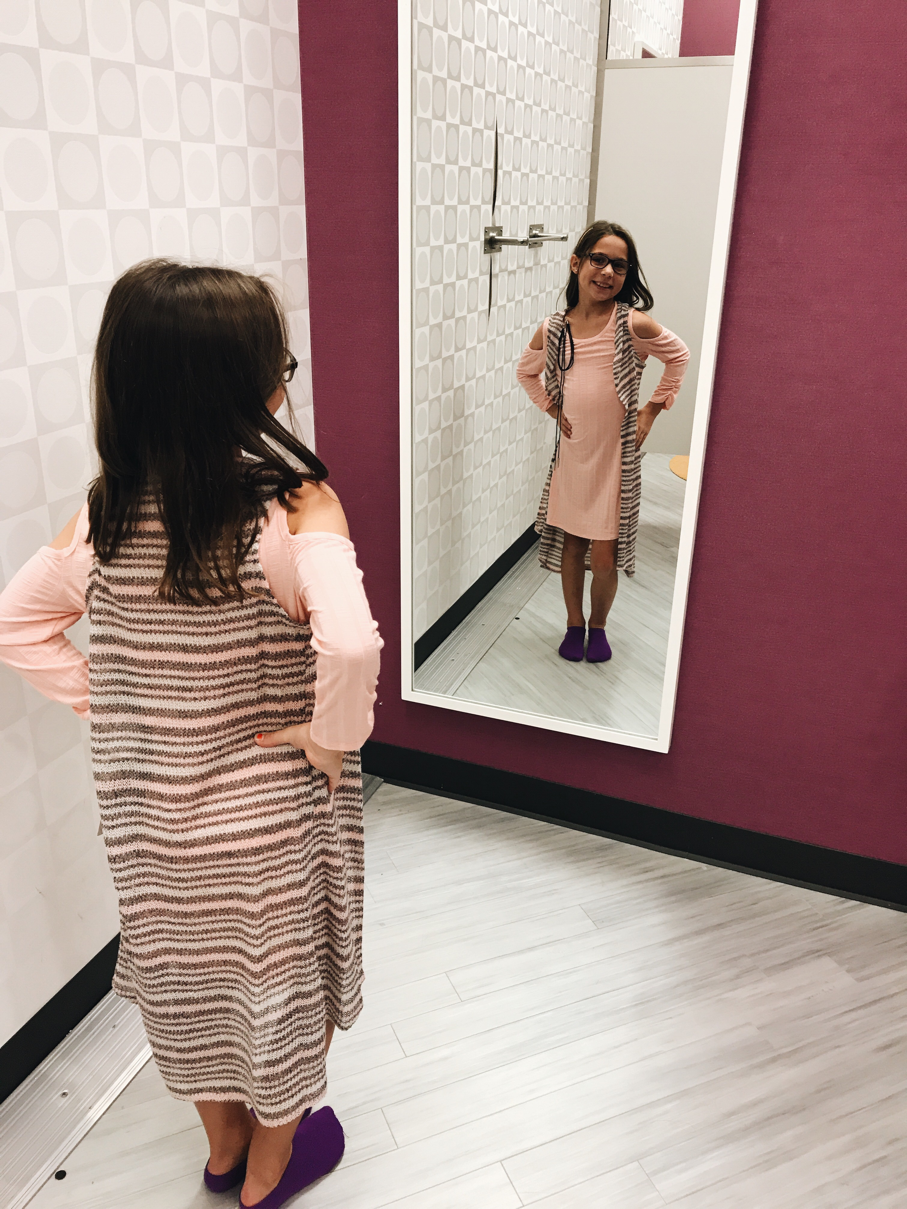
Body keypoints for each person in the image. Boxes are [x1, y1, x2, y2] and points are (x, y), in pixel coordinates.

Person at [0, 261, 383, 1209]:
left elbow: (16, 623)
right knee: (279, 988)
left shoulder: (105, 510)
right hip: (265, 828)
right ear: (243, 384)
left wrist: (114, 701)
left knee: (191, 984)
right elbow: (350, 644)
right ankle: (268, 1173)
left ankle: (222, 1150)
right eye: (277, 363)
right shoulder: (294, 508)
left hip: (150, 823)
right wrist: (329, 738)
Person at [517, 220, 690, 663]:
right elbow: (526, 372)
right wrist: (552, 409)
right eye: (599, 260)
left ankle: (599, 625)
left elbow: (679, 356)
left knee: (604, 556)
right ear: (576, 263)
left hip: (615, 460)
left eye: (619, 265)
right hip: (574, 457)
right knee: (573, 546)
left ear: (626, 274)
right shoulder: (555, 329)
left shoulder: (631, 324)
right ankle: (574, 624)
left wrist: (651, 410)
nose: (608, 272)